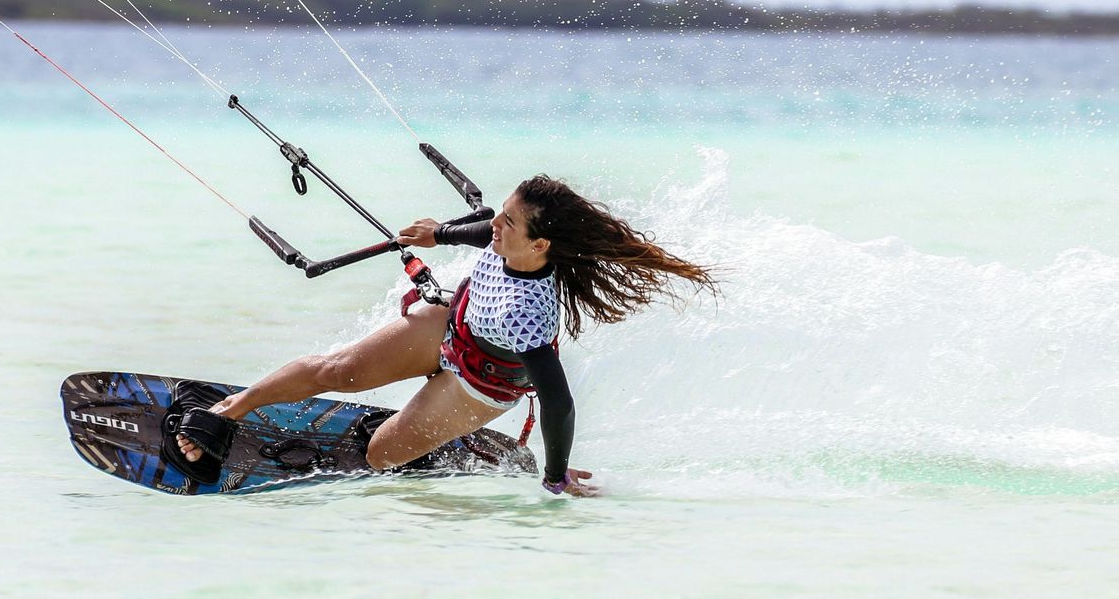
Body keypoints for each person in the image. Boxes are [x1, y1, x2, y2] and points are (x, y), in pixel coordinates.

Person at [174, 175, 716, 496]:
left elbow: (558, 400)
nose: (493, 225)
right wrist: (441, 234)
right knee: (335, 369)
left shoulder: (529, 310)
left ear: (540, 246)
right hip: (452, 326)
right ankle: (229, 411)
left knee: (382, 458)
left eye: (508, 223)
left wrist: (553, 477)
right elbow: (484, 226)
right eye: (501, 214)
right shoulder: (510, 239)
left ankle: (461, 445)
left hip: (480, 384)